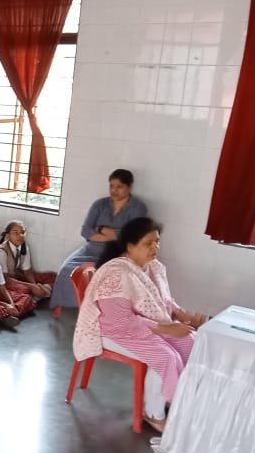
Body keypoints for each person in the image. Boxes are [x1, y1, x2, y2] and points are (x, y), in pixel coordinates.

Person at [73, 217, 203, 433]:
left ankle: (171, 397)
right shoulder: (117, 274)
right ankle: (153, 413)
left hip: (141, 326)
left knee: (190, 342)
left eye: (157, 241)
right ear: (130, 246)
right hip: (111, 331)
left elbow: (164, 301)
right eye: (148, 243)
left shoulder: (152, 267)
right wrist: (166, 329)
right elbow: (119, 320)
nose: (155, 247)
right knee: (165, 356)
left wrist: (182, 315)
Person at [52, 169, 149, 311]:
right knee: (67, 269)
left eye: (119, 187)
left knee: (104, 277)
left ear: (130, 187)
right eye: (111, 186)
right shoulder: (100, 204)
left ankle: (95, 311)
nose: (114, 190)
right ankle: (68, 306)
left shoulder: (138, 207)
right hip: (90, 250)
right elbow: (85, 231)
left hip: (118, 253)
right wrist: (112, 234)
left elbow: (131, 235)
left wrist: (100, 228)